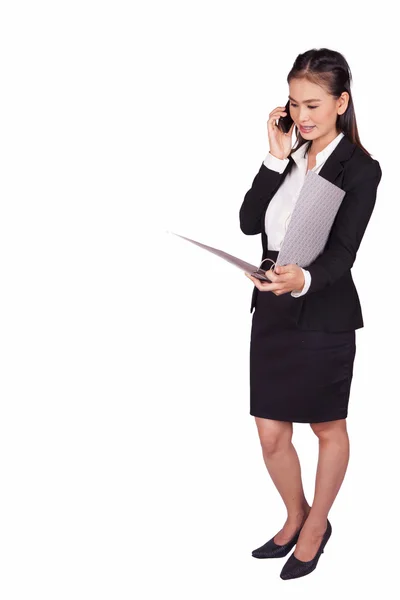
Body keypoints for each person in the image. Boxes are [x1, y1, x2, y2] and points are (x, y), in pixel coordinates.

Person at [239, 48, 382, 580]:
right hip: (272, 309)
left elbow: (343, 253)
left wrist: (304, 278)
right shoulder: (291, 156)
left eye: (314, 104)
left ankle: (317, 524)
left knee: (326, 426)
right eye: (294, 104)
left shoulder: (361, 169)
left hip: (323, 313)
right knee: (271, 432)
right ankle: (294, 514)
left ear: (341, 103)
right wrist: (275, 157)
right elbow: (250, 222)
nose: (302, 116)